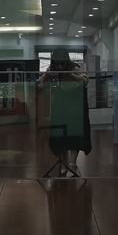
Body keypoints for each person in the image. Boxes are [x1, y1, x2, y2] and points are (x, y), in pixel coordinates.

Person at [38, 48, 91, 176]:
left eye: (62, 64)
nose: (60, 66)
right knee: (60, 137)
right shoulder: (52, 69)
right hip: (61, 105)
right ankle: (63, 163)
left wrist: (69, 75)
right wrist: (47, 76)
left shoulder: (75, 68)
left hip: (76, 106)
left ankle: (72, 164)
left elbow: (85, 80)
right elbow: (39, 84)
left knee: (75, 136)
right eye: (57, 64)